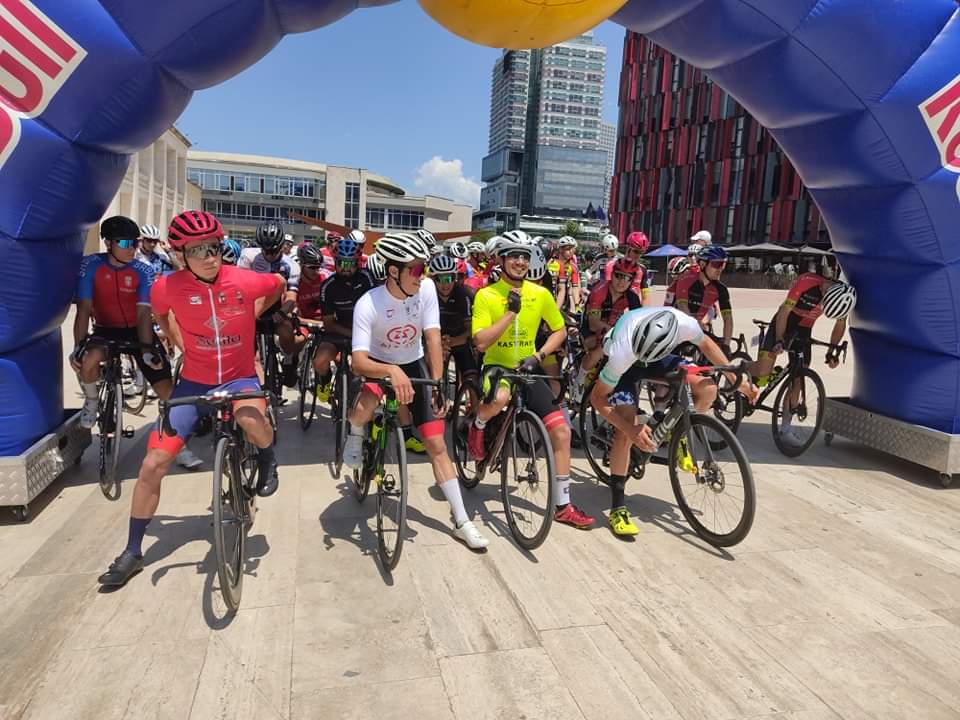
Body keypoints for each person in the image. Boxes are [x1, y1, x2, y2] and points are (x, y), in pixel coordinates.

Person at [97, 210, 285, 588]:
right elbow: (161, 315)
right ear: (180, 254)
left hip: (239, 376)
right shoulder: (166, 285)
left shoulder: (244, 280)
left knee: (251, 422)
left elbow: (278, 282)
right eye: (198, 250)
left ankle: (267, 457)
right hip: (193, 382)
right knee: (154, 462)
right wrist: (177, 337)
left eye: (214, 247)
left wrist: (252, 312)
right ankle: (133, 550)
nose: (210, 256)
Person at [345, 233, 489, 550]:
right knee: (364, 406)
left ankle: (462, 520)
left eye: (422, 268)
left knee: (437, 443)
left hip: (413, 361)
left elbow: (433, 337)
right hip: (377, 363)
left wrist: (438, 382)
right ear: (393, 271)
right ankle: (356, 432)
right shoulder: (369, 303)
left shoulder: (424, 289)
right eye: (415, 268)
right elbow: (358, 361)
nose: (422, 275)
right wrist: (389, 371)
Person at [588, 308, 757, 536]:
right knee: (625, 430)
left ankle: (678, 436)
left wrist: (739, 382)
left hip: (659, 356)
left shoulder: (683, 323)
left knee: (708, 389)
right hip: (628, 364)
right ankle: (618, 507)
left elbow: (706, 344)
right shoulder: (621, 352)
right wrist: (631, 429)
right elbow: (597, 399)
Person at [469, 231, 595, 530]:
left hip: (528, 368)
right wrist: (509, 314)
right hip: (498, 368)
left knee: (562, 433)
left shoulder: (540, 294)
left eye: (525, 256)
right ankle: (478, 425)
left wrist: (538, 356)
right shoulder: (486, 295)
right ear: (501, 260)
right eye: (513, 256)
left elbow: (560, 330)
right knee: (498, 399)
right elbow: (481, 343)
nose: (520, 262)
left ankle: (563, 505)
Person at [751, 276, 856, 443]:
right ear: (825, 292)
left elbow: (839, 325)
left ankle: (785, 429)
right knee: (763, 370)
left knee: (799, 376)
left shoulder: (843, 296)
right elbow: (784, 312)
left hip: (804, 330)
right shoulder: (807, 282)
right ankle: (740, 371)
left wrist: (831, 352)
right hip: (783, 322)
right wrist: (779, 340)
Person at [239, 222, 302, 387]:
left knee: (287, 330)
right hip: (251, 307)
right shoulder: (248, 257)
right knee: (250, 353)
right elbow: (239, 288)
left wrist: (281, 314)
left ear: (282, 246)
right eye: (266, 250)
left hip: (276, 309)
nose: (270, 254)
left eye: (274, 250)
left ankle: (289, 360)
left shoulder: (292, 265)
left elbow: (291, 296)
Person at [312, 234, 372, 402]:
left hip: (364, 333)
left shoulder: (367, 279)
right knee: (319, 361)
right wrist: (351, 334)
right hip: (338, 330)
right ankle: (324, 380)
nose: (346, 268)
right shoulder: (327, 286)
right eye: (341, 263)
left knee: (361, 368)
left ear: (357, 263)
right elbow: (329, 324)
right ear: (335, 262)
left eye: (350, 264)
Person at [578, 256, 643, 381]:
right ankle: (579, 380)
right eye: (618, 275)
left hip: (610, 330)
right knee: (599, 350)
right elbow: (593, 324)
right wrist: (617, 332)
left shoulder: (632, 297)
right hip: (590, 329)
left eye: (627, 278)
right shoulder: (599, 291)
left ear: (631, 281)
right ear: (612, 274)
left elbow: (638, 323)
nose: (622, 282)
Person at [671, 245, 733, 349]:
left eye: (723, 264)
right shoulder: (685, 280)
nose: (720, 268)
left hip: (698, 328)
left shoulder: (721, 289)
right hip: (679, 327)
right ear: (703, 264)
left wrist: (726, 345)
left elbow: (728, 319)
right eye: (717, 264)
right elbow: (683, 307)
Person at [429, 253, 479, 385]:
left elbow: (471, 329)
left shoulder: (465, 294)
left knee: (472, 380)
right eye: (440, 279)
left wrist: (454, 341)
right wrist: (437, 342)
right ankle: (435, 400)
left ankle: (473, 403)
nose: (445, 285)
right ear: (433, 279)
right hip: (435, 339)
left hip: (459, 339)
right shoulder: (428, 293)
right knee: (431, 378)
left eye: (449, 278)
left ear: (455, 277)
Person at [603, 231, 651, 303]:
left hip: (632, 310)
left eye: (641, 253)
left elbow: (646, 297)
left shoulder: (642, 269)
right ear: (628, 248)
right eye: (636, 251)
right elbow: (606, 290)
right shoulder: (611, 265)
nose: (638, 255)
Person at [548, 235, 582, 313]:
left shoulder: (573, 266)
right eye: (567, 249)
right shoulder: (551, 262)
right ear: (560, 249)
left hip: (564, 300)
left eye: (572, 249)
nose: (570, 252)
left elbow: (575, 287)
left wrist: (577, 305)